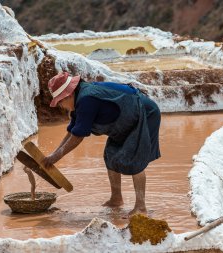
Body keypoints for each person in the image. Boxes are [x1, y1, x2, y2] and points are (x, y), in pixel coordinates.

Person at [42, 72, 161, 216]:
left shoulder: (87, 99)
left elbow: (78, 137)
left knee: (135, 159)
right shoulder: (79, 99)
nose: (61, 106)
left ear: (68, 94)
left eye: (60, 101)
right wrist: (54, 154)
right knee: (110, 155)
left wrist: (55, 158)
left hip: (145, 114)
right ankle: (116, 198)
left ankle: (141, 207)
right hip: (125, 121)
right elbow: (72, 131)